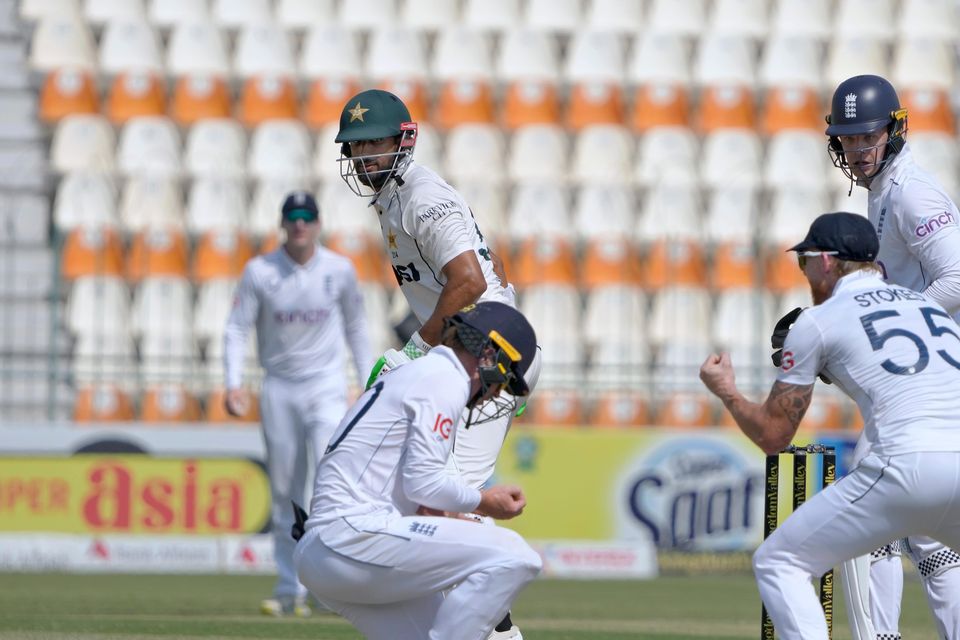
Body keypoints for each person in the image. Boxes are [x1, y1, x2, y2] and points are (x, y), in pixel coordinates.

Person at [333, 89, 540, 638]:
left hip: (492, 356)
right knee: (429, 512)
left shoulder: (424, 196)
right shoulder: (390, 200)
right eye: (355, 147)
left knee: (444, 515)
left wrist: (415, 352)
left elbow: (469, 281)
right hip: (463, 356)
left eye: (374, 142)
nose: (364, 157)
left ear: (404, 140)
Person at [700, 211, 960, 640]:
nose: (803, 272)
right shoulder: (926, 306)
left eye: (804, 261)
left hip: (907, 465)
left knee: (779, 562)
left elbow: (773, 436)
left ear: (826, 261)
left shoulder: (816, 320)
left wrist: (726, 390)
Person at [293, 301, 542, 640]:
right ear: (489, 356)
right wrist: (486, 502)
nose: (495, 393)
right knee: (515, 556)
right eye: (504, 379)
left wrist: (454, 520)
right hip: (352, 538)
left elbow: (418, 497)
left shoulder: (422, 374)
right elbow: (424, 484)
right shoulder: (445, 381)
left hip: (331, 552)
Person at [827, 74, 960, 639]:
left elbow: (957, 277)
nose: (858, 149)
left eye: (868, 137)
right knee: (930, 538)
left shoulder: (912, 191)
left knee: (867, 514)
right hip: (924, 383)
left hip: (928, 381)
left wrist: (902, 333)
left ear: (894, 131)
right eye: (849, 138)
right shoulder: (884, 190)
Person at [223, 191, 373, 617]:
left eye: (308, 217)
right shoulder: (261, 271)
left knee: (329, 481)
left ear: (318, 224)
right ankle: (290, 588)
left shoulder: (339, 271)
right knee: (285, 489)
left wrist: (368, 383)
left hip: (326, 386)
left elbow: (358, 329)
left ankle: (331, 588)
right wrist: (234, 383)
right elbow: (236, 330)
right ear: (283, 224)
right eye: (293, 217)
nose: (300, 225)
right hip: (279, 388)